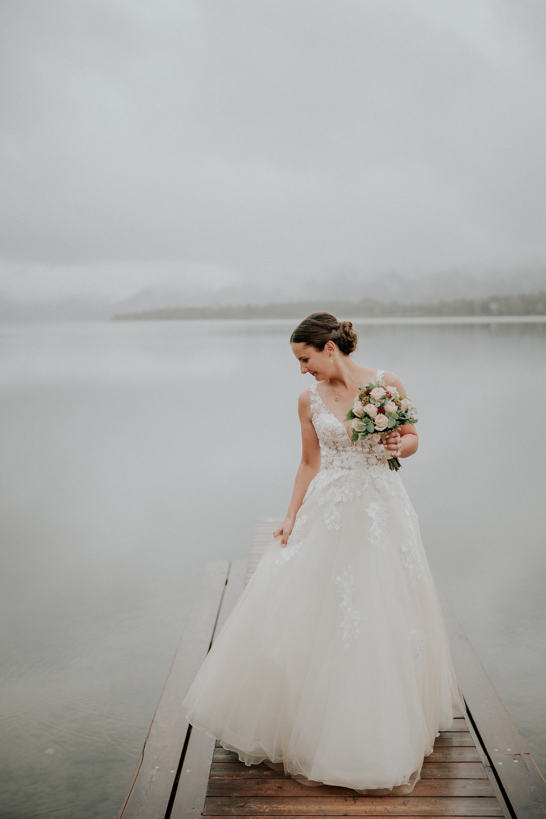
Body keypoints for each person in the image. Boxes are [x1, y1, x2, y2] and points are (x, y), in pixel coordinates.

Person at [182, 312, 462, 795]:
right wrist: (290, 515)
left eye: (304, 358)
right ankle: (313, 715)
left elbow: (413, 439)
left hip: (381, 509)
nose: (302, 369)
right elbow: (310, 461)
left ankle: (380, 724)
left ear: (329, 348)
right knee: (325, 606)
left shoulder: (385, 383)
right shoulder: (306, 399)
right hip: (330, 506)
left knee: (382, 605)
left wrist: (401, 442)